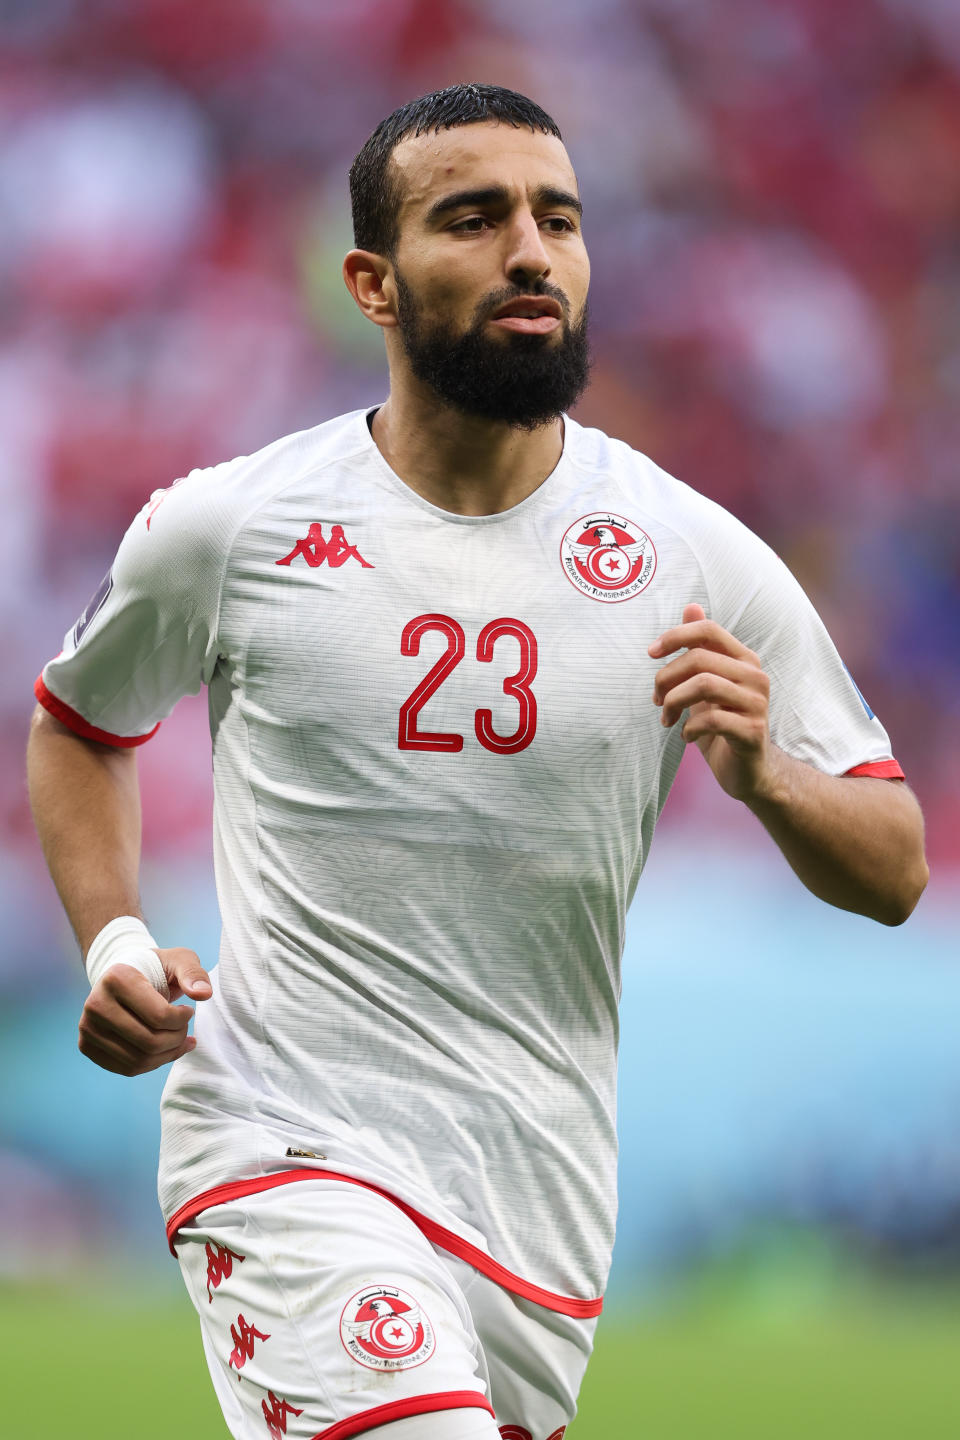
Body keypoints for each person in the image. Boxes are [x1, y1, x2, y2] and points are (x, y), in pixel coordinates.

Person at [27, 83, 928, 1440]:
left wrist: (768, 781)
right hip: (285, 1145)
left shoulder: (691, 552)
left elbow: (897, 865)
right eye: (474, 216)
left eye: (557, 219)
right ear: (371, 284)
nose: (530, 249)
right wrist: (110, 943)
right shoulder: (232, 526)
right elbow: (82, 725)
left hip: (538, 1195)